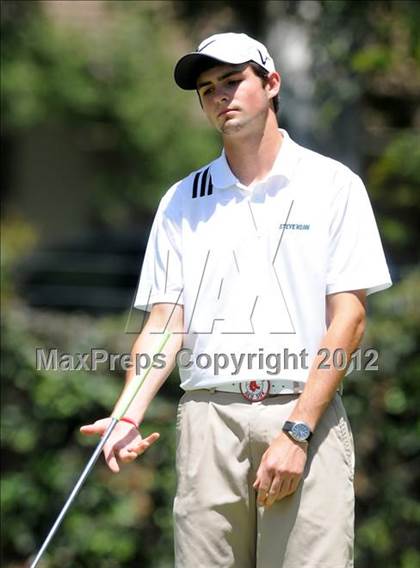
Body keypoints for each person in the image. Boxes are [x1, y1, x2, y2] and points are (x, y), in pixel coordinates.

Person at [81, 32, 392, 568]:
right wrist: (128, 412)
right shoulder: (181, 200)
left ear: (271, 84)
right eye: (207, 90)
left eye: (233, 81)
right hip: (208, 422)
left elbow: (349, 319)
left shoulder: (334, 186)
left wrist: (297, 431)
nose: (221, 96)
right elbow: (165, 322)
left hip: (304, 417)